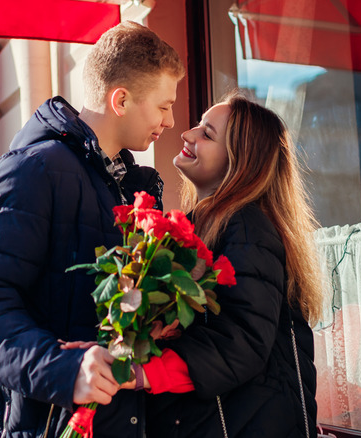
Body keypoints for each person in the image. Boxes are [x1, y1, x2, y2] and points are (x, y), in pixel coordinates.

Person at [0, 22, 184, 438]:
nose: (170, 120)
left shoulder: (131, 185)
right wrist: (64, 369)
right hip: (45, 425)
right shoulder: (34, 169)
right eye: (164, 106)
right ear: (121, 100)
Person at [127, 92, 325, 437]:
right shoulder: (205, 224)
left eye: (207, 133)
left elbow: (243, 337)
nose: (188, 134)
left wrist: (145, 372)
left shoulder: (248, 225)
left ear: (241, 161)